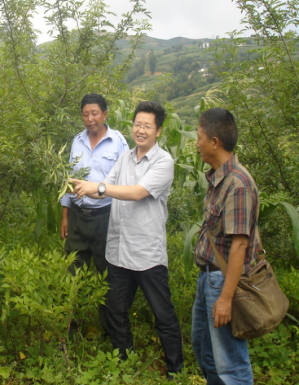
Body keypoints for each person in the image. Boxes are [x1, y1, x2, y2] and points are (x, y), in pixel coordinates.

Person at [71, 101, 184, 379]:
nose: (141, 130)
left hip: (146, 253)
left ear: (158, 130)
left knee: (163, 314)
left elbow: (136, 192)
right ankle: (124, 358)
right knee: (115, 309)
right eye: (137, 124)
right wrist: (83, 189)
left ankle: (175, 369)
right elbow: (106, 189)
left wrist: (97, 187)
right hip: (118, 251)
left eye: (147, 126)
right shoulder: (124, 158)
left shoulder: (163, 162)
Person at [192, 108, 260, 384]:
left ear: (215, 142)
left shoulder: (238, 184)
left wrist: (226, 298)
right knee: (205, 350)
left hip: (222, 282)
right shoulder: (217, 177)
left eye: (199, 137)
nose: (196, 143)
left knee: (231, 363)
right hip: (208, 278)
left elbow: (239, 247)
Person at [60, 93, 128, 332]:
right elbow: (68, 181)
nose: (90, 119)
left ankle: (111, 333)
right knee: (72, 273)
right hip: (79, 217)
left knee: (107, 276)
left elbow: (126, 181)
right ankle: (70, 330)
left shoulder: (118, 142)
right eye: (86, 114)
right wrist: (65, 216)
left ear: (105, 114)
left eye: (95, 113)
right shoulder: (77, 141)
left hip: (105, 218)